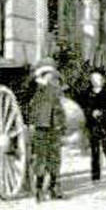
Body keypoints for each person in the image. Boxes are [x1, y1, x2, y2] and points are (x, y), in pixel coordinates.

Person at [27, 62, 66, 202]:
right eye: (49, 75)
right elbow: (29, 86)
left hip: (54, 128)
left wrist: (62, 127)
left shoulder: (56, 91)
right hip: (40, 127)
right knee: (40, 158)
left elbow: (60, 110)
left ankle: (54, 187)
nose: (52, 79)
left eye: (53, 76)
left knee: (55, 158)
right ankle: (39, 189)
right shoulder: (36, 89)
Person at [79, 69, 106, 183]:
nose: (98, 81)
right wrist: (91, 112)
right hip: (92, 126)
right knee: (95, 152)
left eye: (100, 79)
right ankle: (96, 177)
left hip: (105, 126)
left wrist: (102, 112)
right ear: (91, 80)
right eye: (95, 79)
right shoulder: (86, 94)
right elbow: (83, 108)